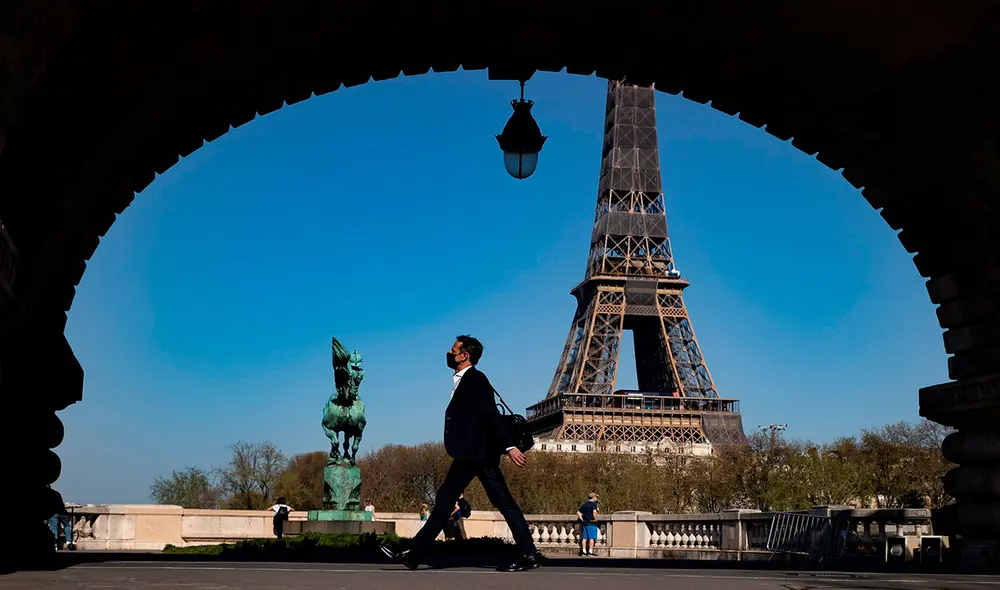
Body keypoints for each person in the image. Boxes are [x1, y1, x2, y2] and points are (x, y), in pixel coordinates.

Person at [382, 335, 540, 572]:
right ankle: (414, 554)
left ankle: (528, 553)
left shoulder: (476, 379)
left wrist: (510, 447)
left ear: (464, 355)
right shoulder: (466, 380)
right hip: (470, 453)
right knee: (449, 502)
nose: (449, 352)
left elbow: (491, 415)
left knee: (497, 502)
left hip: (478, 454)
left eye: (453, 349)